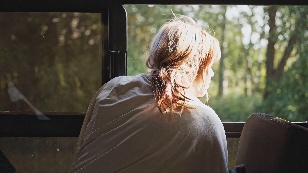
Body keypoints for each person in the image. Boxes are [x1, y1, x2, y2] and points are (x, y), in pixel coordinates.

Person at [69, 15, 228, 173]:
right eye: (209, 67)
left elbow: (82, 148)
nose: (212, 74)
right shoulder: (207, 122)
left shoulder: (114, 88)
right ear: (195, 68)